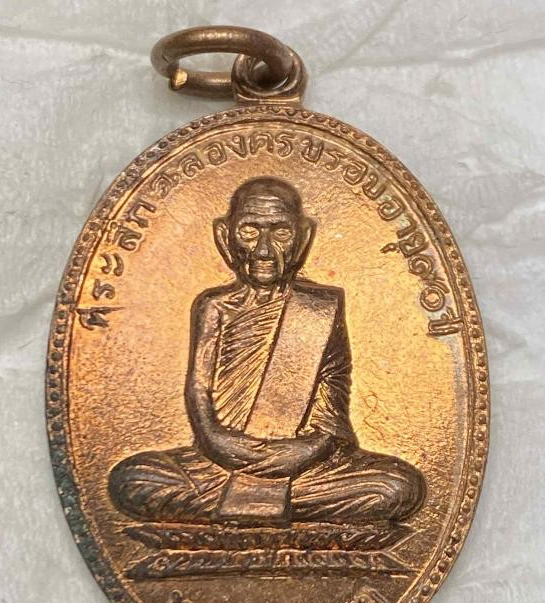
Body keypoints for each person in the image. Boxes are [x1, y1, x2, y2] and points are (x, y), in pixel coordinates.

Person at [109, 177, 426, 526]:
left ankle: (250, 502)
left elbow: (332, 396)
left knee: (398, 487)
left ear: (303, 237)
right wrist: (216, 441)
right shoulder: (214, 306)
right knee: (134, 479)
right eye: (249, 231)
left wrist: (308, 450)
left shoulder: (319, 309)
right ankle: (272, 503)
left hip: (302, 466)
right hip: (218, 461)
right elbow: (199, 389)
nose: (263, 250)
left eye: (280, 232)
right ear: (224, 236)